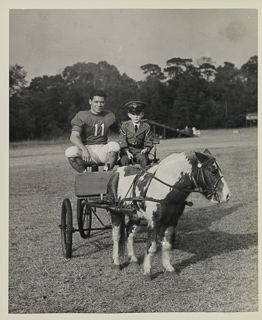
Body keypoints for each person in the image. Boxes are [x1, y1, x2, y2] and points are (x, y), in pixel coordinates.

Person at [65, 89, 120, 173]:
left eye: (102, 102)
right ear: (90, 101)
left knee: (114, 146)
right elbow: (74, 137)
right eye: (96, 102)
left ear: (105, 102)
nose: (99, 105)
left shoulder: (109, 115)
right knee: (70, 152)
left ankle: (106, 173)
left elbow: (121, 131)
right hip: (86, 150)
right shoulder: (82, 115)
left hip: (102, 149)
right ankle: (85, 175)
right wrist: (84, 149)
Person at [119, 101, 153, 168]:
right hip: (127, 151)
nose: (136, 117)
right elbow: (122, 140)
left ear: (142, 114)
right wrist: (127, 151)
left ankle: (144, 176)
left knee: (144, 159)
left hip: (140, 151)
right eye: (133, 114)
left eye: (138, 114)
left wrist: (146, 149)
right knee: (124, 160)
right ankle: (124, 177)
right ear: (129, 115)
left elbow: (148, 141)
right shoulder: (125, 126)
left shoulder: (146, 127)